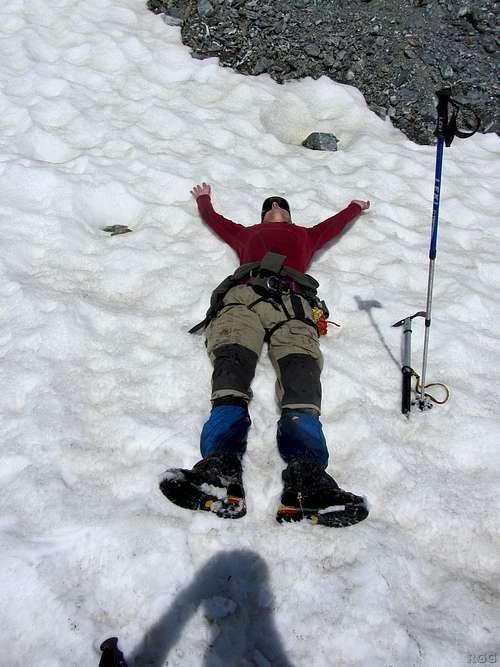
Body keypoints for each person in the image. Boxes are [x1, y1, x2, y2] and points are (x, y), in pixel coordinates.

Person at [160, 182, 371, 527]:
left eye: (282, 205)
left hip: (295, 303)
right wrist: (204, 199)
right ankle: (220, 469)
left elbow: (332, 225)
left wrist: (353, 207)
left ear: (289, 215)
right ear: (262, 215)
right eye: (270, 205)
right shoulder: (246, 234)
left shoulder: (306, 234)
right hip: (244, 296)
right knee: (231, 368)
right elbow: (216, 221)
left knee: (301, 377)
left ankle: (307, 479)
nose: (275, 205)